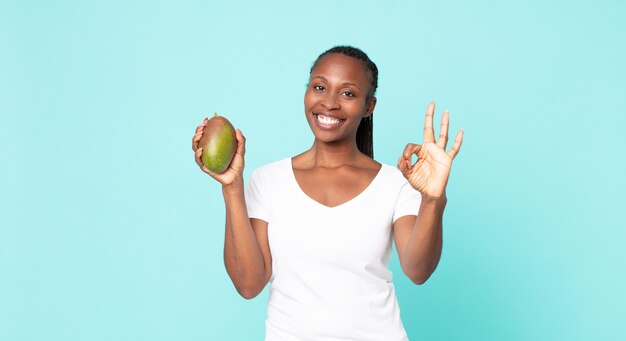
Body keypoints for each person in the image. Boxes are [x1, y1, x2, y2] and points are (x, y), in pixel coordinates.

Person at [191, 46, 463, 340]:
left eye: (348, 94)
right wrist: (232, 187)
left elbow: (417, 270)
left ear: (369, 106)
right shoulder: (268, 180)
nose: (330, 103)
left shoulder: (395, 184)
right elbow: (248, 285)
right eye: (320, 87)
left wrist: (433, 199)